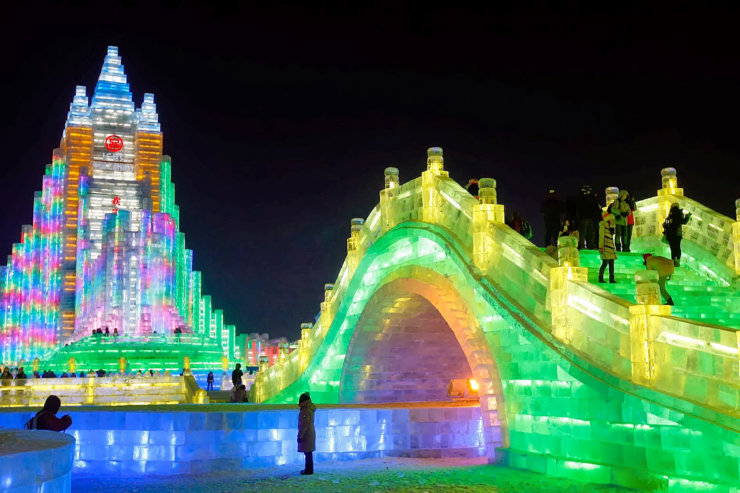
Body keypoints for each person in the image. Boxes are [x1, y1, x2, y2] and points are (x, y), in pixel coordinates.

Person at [575, 185, 601, 250]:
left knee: (590, 233)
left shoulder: (591, 198)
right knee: (584, 233)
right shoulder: (581, 198)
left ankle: (590, 246)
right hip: (584, 218)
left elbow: (596, 208)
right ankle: (583, 246)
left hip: (590, 218)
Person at [297, 392, 316, 475]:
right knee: (308, 452)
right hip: (310, 433)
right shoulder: (309, 409)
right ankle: (309, 469)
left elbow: (305, 424)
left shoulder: (306, 410)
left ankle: (308, 470)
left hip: (307, 434)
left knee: (308, 453)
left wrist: (300, 435)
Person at [598, 212, 617, 283]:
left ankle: (611, 279)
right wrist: (600, 246)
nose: (613, 220)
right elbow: (601, 236)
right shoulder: (603, 225)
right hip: (605, 247)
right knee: (605, 263)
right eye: (611, 219)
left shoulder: (611, 227)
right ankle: (600, 278)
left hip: (611, 247)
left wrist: (612, 226)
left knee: (612, 264)